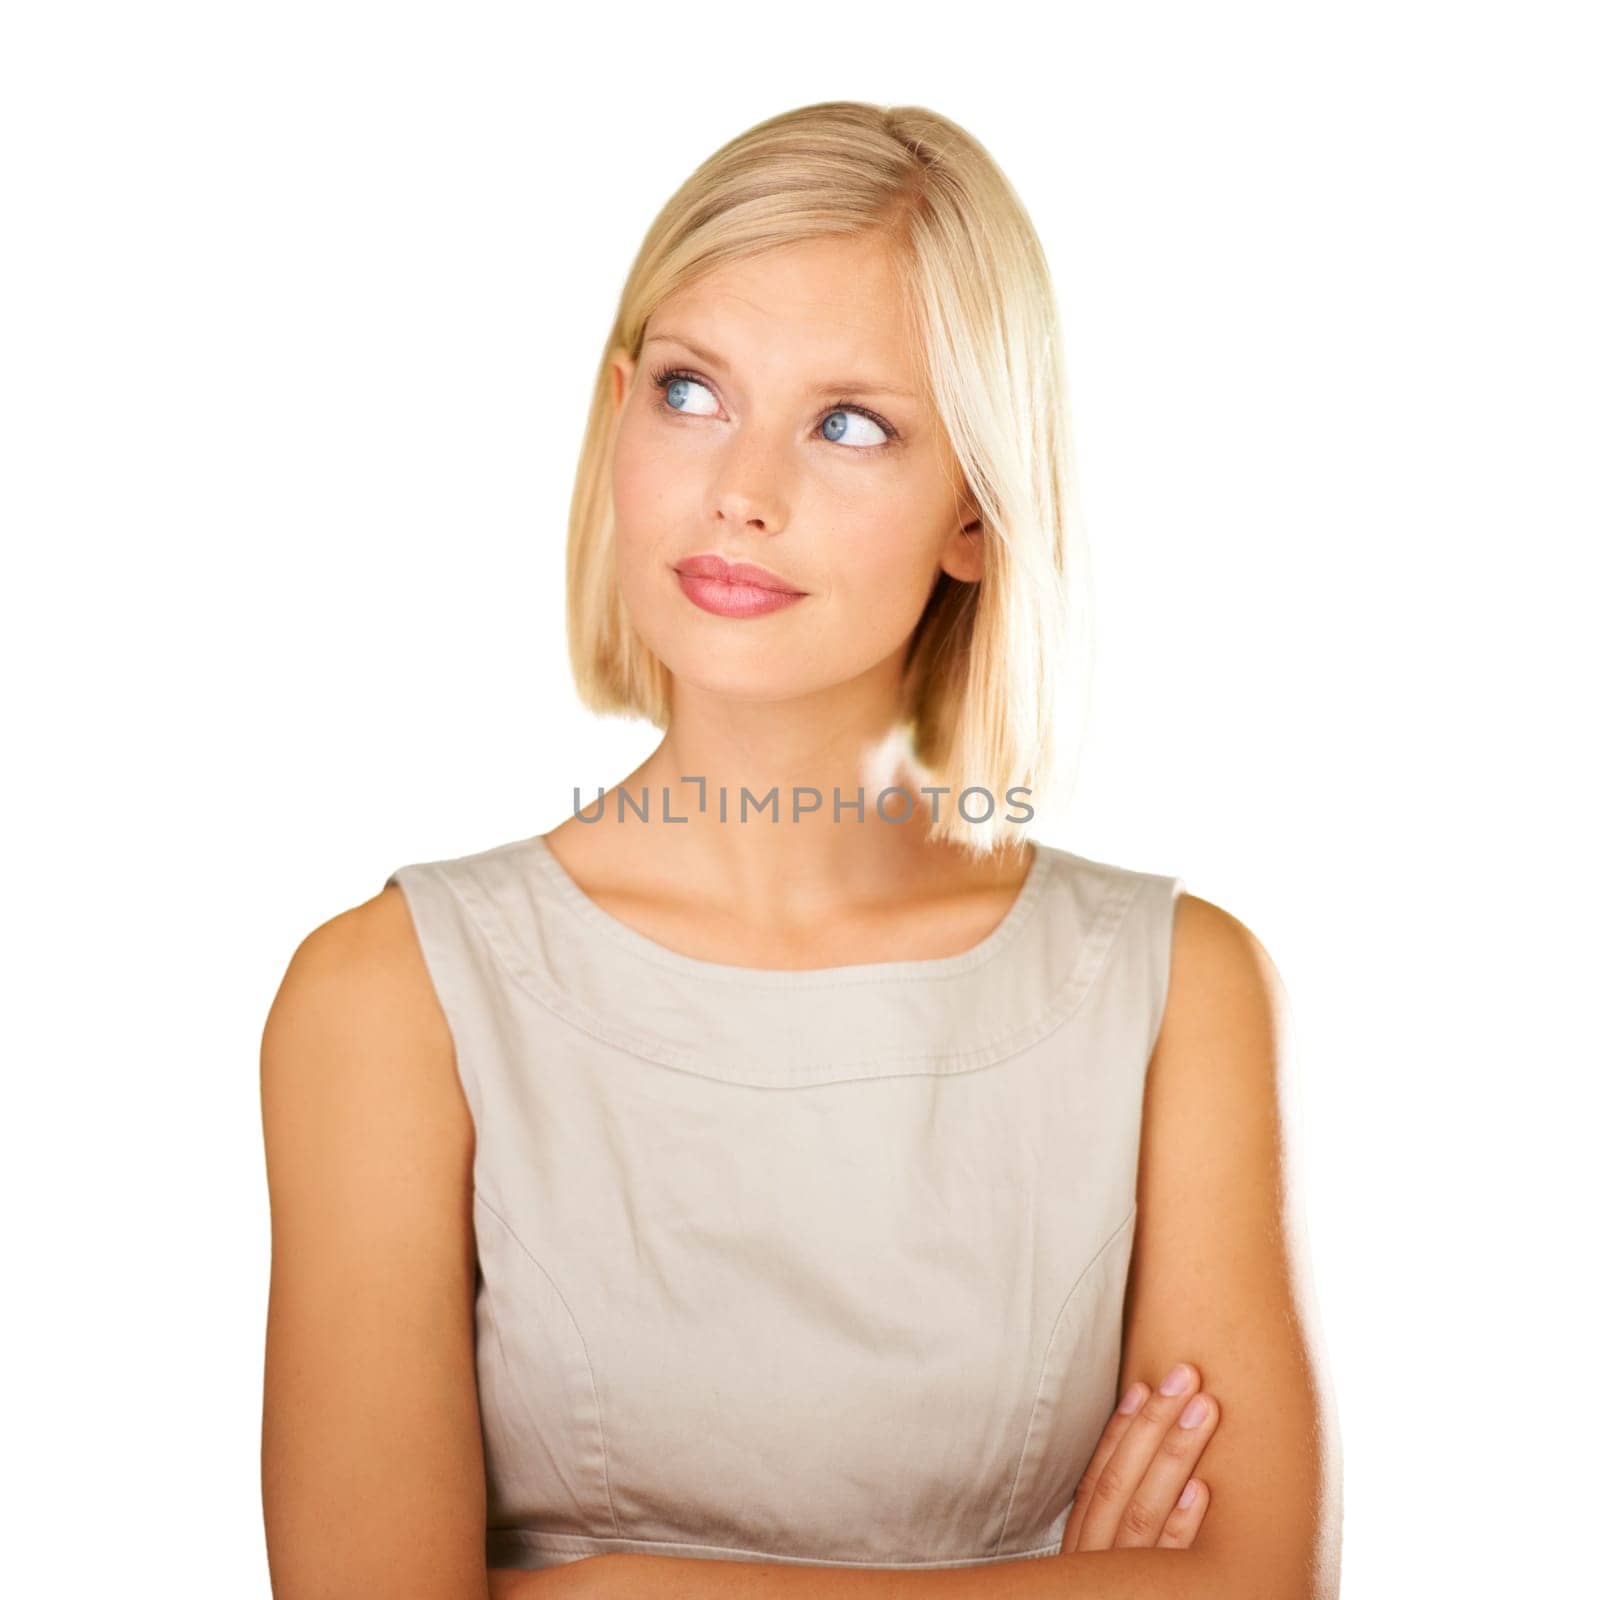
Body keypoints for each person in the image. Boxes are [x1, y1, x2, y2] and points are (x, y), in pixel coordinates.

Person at [259, 102, 1340, 1599]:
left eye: (849, 424)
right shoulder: (389, 999)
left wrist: (611, 1587)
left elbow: (1253, 1585)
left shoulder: (1173, 992)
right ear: (617, 411)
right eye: (694, 391)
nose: (741, 489)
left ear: (976, 510)